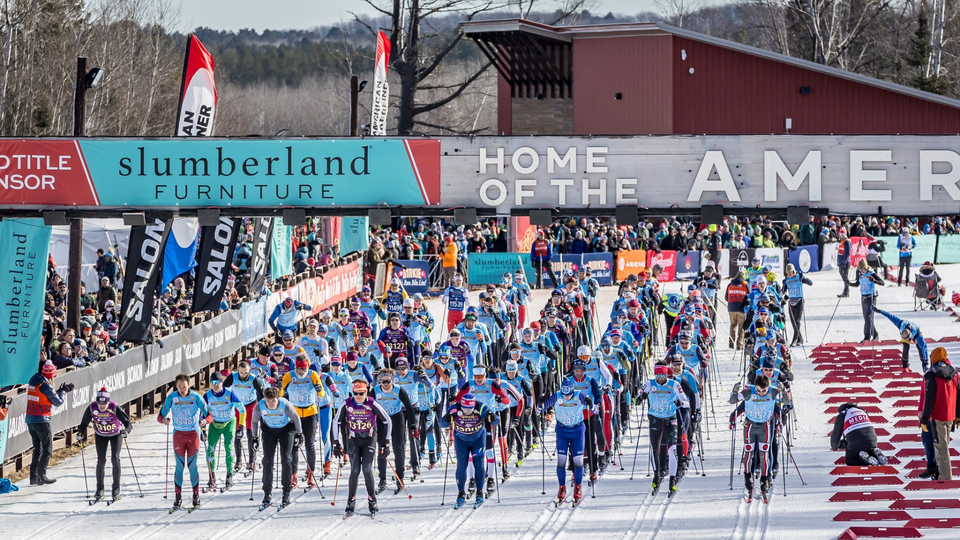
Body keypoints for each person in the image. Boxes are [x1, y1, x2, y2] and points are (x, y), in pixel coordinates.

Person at [332, 379, 392, 517]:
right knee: (354, 470)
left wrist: (386, 442)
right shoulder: (346, 404)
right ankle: (350, 501)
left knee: (366, 469)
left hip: (369, 439)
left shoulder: (371, 403)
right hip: (353, 440)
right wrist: (336, 442)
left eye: (361, 393)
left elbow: (387, 420)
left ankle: (372, 500)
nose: (358, 396)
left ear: (366, 392)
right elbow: (336, 422)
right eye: (355, 393)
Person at [158, 374, 209, 509]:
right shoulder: (172, 397)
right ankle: (178, 496)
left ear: (189, 385)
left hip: (193, 434)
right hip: (178, 435)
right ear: (176, 386)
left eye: (184, 386)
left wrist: (204, 421)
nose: (182, 389)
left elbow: (210, 415)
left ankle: (196, 495)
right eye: (179, 386)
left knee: (192, 465)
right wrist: (165, 420)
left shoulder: (196, 397)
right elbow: (160, 416)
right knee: (179, 466)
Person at [638, 363, 689, 495]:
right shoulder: (649, 384)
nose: (660, 378)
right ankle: (656, 475)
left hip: (670, 420)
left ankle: (672, 480)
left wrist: (680, 402)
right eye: (657, 376)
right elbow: (638, 398)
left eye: (662, 375)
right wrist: (641, 397)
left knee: (672, 450)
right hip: (655, 419)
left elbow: (686, 401)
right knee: (654, 450)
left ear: (667, 374)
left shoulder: (674, 385)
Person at [729, 375, 781, 501]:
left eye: (764, 391)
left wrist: (783, 390)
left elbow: (786, 400)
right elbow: (732, 400)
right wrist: (734, 391)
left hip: (765, 426)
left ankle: (764, 480)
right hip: (750, 427)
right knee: (749, 453)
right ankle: (748, 479)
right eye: (758, 390)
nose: (761, 393)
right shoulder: (748, 392)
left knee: (764, 454)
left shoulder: (773, 392)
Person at [250, 386, 304, 508]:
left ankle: (286, 491)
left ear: (277, 399)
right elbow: (254, 421)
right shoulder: (260, 406)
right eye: (268, 401)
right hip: (269, 431)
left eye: (273, 401)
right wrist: (254, 438)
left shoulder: (285, 405)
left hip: (286, 430)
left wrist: (299, 434)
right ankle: (267, 492)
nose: (270, 404)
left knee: (286, 458)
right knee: (267, 461)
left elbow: (296, 418)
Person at [442, 392, 498, 508]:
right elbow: (441, 424)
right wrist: (447, 419)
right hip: (461, 440)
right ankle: (461, 493)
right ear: (461, 405)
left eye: (470, 409)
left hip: (478, 439)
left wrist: (492, 417)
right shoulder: (455, 407)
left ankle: (479, 491)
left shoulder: (480, 407)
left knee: (479, 464)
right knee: (462, 466)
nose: (468, 412)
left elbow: (496, 421)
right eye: (465, 409)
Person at [77, 387, 132, 501]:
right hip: (101, 435)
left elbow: (128, 423)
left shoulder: (114, 407)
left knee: (115, 458)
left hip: (115, 434)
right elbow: (83, 424)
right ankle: (100, 489)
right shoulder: (92, 408)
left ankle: (116, 488)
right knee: (101, 460)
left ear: (108, 402)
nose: (102, 406)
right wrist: (80, 433)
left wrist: (125, 432)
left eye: (104, 403)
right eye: (100, 403)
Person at [540, 379, 589, 505]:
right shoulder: (557, 395)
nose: (566, 398)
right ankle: (562, 487)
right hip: (562, 431)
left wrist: (590, 403)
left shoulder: (578, 395)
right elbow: (542, 407)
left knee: (578, 461)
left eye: (569, 395)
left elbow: (593, 408)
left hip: (577, 430)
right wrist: (540, 405)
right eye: (564, 395)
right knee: (561, 461)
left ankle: (578, 487)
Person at [280, 355, 326, 489]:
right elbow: (281, 393)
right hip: (294, 415)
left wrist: (319, 388)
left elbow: (321, 394)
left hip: (310, 413)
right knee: (294, 445)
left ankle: (311, 473)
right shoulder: (289, 376)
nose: (301, 371)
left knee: (309, 443)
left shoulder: (312, 375)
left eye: (303, 368)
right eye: (299, 368)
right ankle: (294, 474)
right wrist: (279, 386)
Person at [26, 361, 73, 485]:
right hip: (42, 420)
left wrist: (57, 390)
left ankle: (33, 477)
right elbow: (58, 402)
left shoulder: (34, 381)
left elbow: (44, 396)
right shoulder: (46, 385)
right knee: (47, 449)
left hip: (30, 419)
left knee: (37, 448)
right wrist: (63, 392)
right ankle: (42, 476)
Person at [920, 347, 960, 481]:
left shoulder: (932, 375)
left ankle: (945, 478)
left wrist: (924, 419)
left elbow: (929, 399)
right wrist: (958, 415)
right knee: (942, 447)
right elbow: (959, 396)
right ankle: (939, 473)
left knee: (941, 449)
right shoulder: (954, 373)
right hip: (950, 416)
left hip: (938, 417)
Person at [203, 372, 245, 490]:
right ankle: (212, 477)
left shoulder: (229, 393)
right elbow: (201, 413)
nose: (216, 385)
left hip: (229, 423)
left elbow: (242, 409)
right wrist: (203, 428)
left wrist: (240, 426)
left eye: (218, 382)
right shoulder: (207, 395)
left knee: (229, 447)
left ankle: (229, 475)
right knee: (210, 448)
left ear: (222, 382)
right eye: (213, 383)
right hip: (214, 424)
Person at [224, 360, 266, 474]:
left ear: (249, 371)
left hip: (250, 407)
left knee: (250, 433)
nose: (243, 375)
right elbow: (224, 390)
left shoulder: (253, 379)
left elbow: (262, 395)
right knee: (238, 433)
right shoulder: (232, 377)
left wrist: (263, 410)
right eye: (241, 373)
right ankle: (238, 460)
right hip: (238, 408)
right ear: (238, 371)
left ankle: (252, 461)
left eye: (245, 373)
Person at [782, 264, 813, 347]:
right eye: (787, 272)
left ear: (793, 271)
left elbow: (810, 283)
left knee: (797, 321)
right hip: (791, 301)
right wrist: (784, 295)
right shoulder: (786, 280)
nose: (789, 274)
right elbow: (782, 291)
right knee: (793, 322)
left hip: (799, 300)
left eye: (790, 272)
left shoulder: (799, 277)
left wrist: (804, 278)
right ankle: (800, 339)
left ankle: (794, 340)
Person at [855, 259, 883, 342]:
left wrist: (874, 280)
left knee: (868, 317)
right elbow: (857, 284)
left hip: (871, 297)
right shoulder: (859, 274)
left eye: (862, 269)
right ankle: (873, 335)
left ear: (866, 268)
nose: (861, 271)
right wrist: (848, 283)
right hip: (863, 298)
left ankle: (868, 337)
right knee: (866, 318)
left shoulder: (871, 273)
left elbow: (882, 282)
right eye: (859, 270)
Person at [725, 272, 748, 350]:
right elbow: (749, 296)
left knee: (733, 325)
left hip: (731, 308)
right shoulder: (745, 284)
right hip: (741, 308)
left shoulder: (730, 284)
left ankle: (731, 343)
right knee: (741, 327)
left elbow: (726, 297)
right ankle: (739, 345)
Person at [837, 230, 852, 298]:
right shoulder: (841, 241)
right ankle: (846, 291)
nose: (841, 235)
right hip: (841, 261)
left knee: (845, 276)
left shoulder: (847, 241)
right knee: (843, 275)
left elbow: (847, 253)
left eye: (843, 234)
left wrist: (844, 261)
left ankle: (846, 292)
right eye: (841, 234)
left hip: (845, 262)